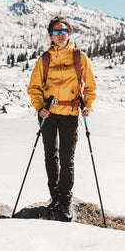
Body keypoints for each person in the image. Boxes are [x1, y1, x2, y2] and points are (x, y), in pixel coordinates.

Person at [27, 15, 97, 222]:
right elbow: (34, 87)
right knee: (51, 157)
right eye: (56, 32)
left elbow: (90, 86)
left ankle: (65, 201)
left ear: (69, 33)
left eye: (63, 31)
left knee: (67, 160)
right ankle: (55, 197)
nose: (60, 35)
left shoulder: (79, 57)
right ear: (50, 36)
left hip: (70, 115)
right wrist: (40, 107)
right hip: (48, 115)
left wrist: (88, 106)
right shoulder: (45, 59)